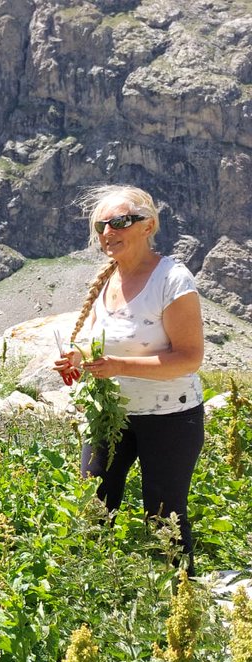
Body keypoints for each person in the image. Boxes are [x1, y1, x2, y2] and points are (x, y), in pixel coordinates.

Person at [53, 184, 206, 569]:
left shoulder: (172, 280)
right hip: (111, 413)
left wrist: (120, 368)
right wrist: (77, 357)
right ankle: (94, 598)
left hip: (171, 417)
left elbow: (189, 358)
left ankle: (181, 610)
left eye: (120, 221)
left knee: (163, 518)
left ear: (148, 225)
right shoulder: (107, 281)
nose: (108, 232)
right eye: (101, 225)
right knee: (92, 506)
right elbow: (104, 345)